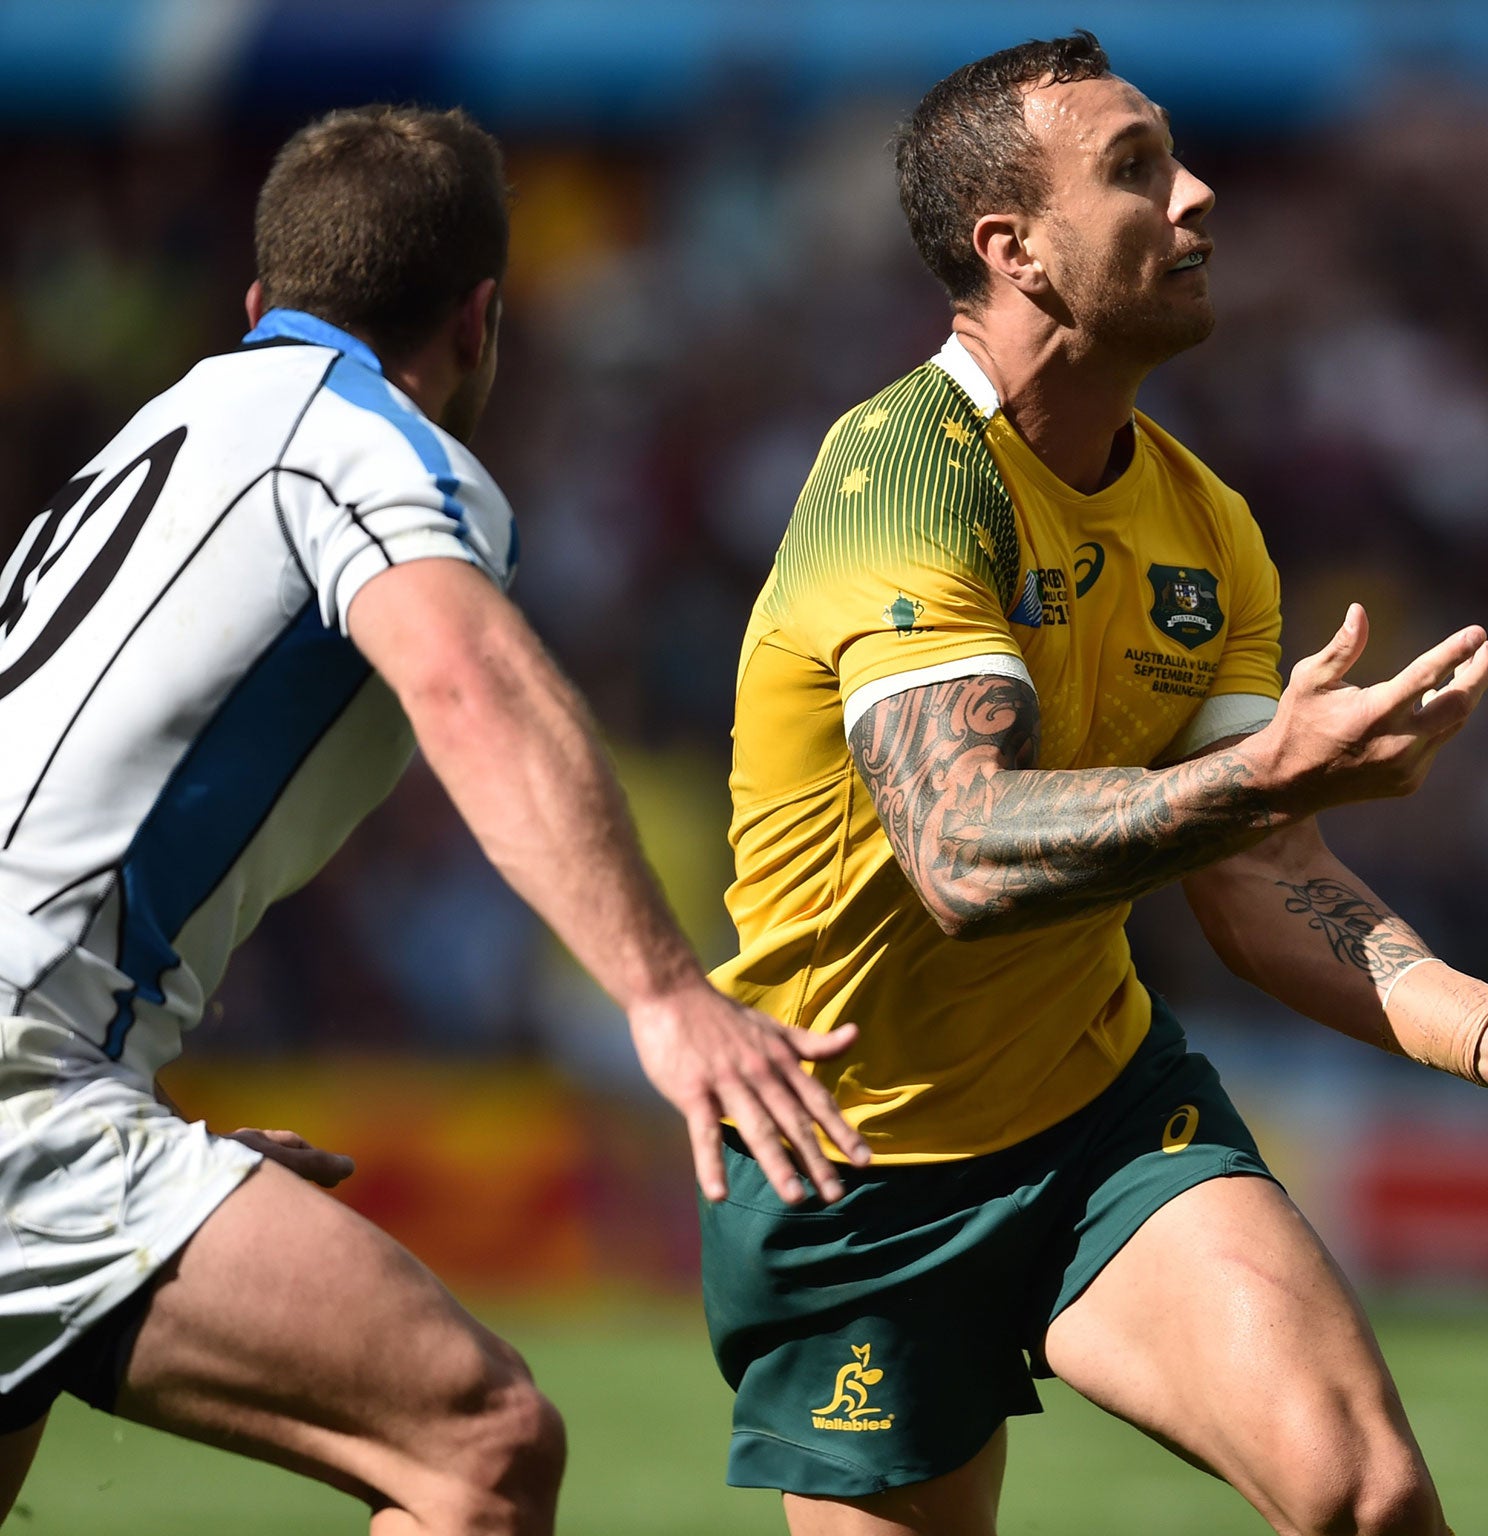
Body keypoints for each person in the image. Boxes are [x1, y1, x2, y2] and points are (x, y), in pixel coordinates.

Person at [702, 33, 1488, 1536]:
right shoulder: (904, 475)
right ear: (1011, 249)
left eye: (1181, 158)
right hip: (849, 1167)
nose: (1199, 197)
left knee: (1366, 1496)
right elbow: (962, 850)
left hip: (1097, 1117)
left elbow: (1263, 881)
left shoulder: (1209, 528)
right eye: (1136, 170)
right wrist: (1265, 774)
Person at [0, 104, 866, 1534]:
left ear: (259, 305)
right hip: (27, 1081)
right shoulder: (364, 443)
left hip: (47, 1069)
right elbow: (463, 676)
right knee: (479, 1445)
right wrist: (661, 992)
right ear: (479, 323)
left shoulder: (156, 435)